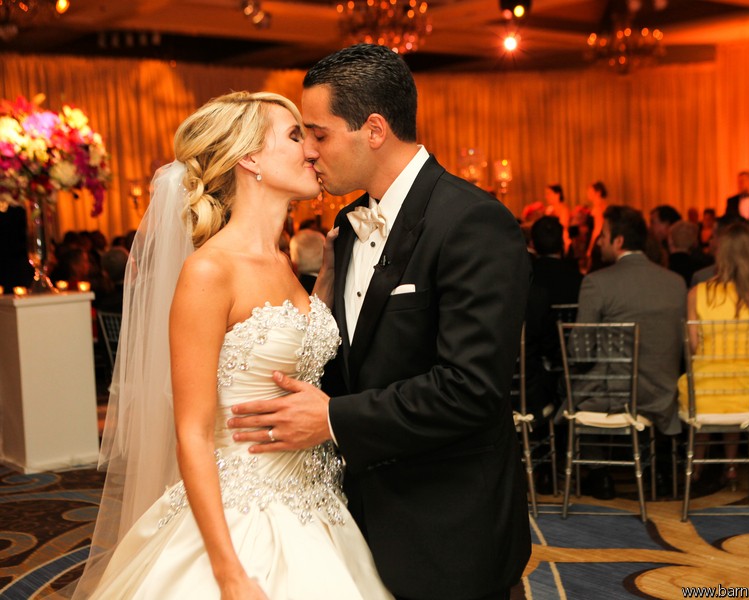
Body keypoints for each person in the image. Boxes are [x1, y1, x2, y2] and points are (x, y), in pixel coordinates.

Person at [227, 45, 532, 600]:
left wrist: (334, 419)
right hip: (352, 519)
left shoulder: (472, 221)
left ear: (373, 129)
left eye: (318, 134)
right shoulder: (345, 224)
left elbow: (472, 389)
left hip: (447, 527)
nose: (310, 153)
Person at [72, 91, 391, 599]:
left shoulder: (282, 260)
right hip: (244, 518)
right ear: (249, 159)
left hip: (319, 504)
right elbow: (192, 435)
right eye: (294, 135)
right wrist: (229, 573)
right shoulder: (209, 270)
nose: (311, 149)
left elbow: (294, 341)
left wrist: (327, 282)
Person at [575, 205, 685, 499]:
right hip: (664, 393)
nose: (599, 241)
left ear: (619, 241)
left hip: (616, 395)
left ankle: (599, 474)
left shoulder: (597, 283)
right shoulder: (675, 283)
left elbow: (580, 351)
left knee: (568, 386)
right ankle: (657, 470)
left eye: (604, 235)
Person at [678, 222, 749, 487]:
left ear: (720, 252)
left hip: (704, 395)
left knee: (706, 382)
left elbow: (694, 348)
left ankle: (696, 467)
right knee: (735, 385)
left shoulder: (698, 293)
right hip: (748, 395)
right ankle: (732, 466)